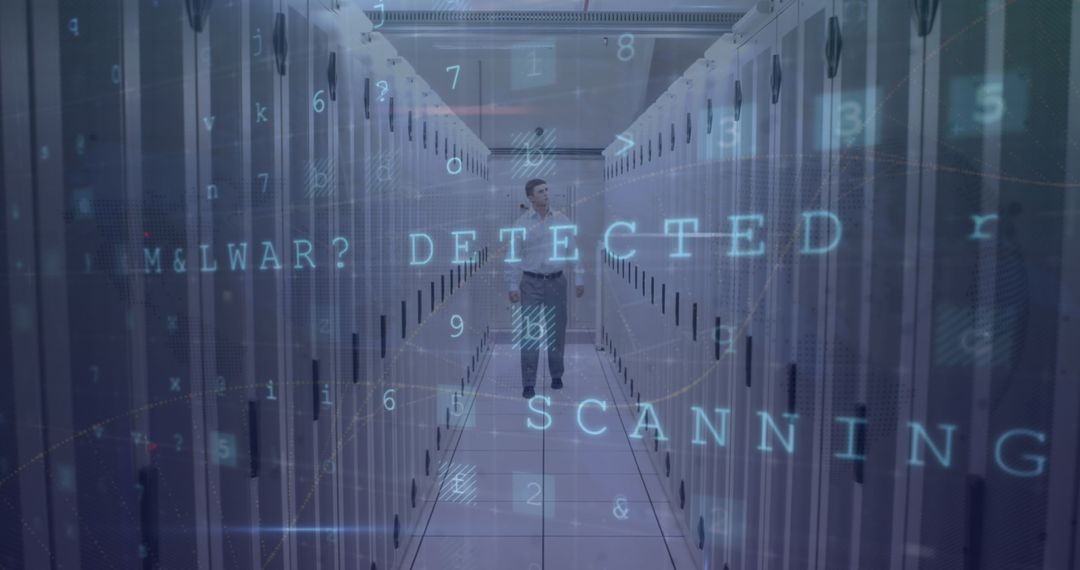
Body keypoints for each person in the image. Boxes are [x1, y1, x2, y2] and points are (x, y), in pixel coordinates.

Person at [506, 179, 585, 399]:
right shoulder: (521, 224)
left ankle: (556, 375)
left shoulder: (562, 220)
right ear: (530, 197)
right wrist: (512, 284)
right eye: (540, 191)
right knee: (530, 332)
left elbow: (573, 250)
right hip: (530, 282)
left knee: (556, 332)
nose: (546, 194)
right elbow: (513, 256)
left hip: (557, 281)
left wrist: (580, 277)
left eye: (547, 190)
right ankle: (529, 382)